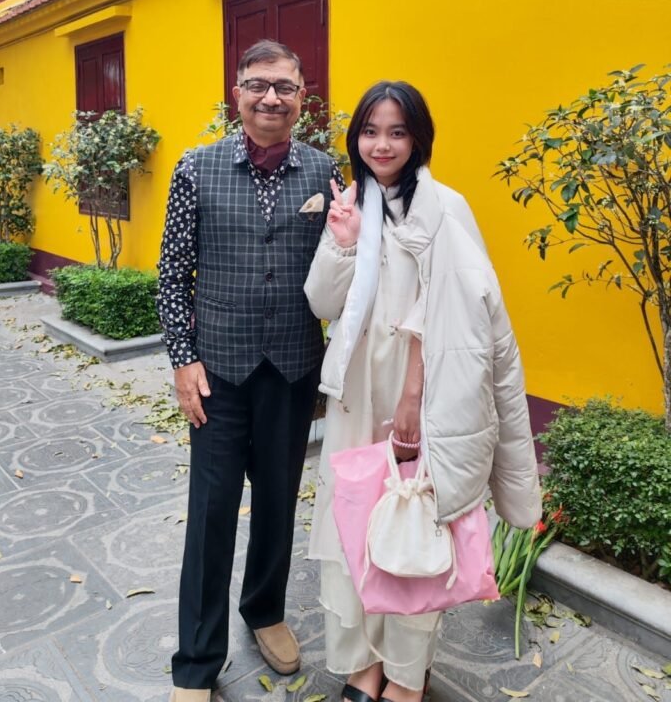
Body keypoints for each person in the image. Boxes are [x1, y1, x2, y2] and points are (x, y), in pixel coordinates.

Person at [304, 81, 541, 702]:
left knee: (415, 526)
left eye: (397, 131)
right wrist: (344, 242)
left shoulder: (444, 209)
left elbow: (456, 312)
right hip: (356, 392)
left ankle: (406, 676)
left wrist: (413, 398)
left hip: (421, 394)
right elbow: (323, 304)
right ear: (355, 138)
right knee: (355, 524)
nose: (381, 145)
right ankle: (362, 663)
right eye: (370, 131)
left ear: (418, 139)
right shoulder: (354, 204)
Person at [158, 39, 345, 702]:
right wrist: (183, 360)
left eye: (285, 87)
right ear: (236, 93)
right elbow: (171, 275)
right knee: (210, 513)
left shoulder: (324, 170)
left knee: (277, 503)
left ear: (301, 97)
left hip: (292, 371)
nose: (272, 98)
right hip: (219, 374)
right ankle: (197, 660)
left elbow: (342, 265)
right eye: (258, 85)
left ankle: (264, 610)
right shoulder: (196, 167)